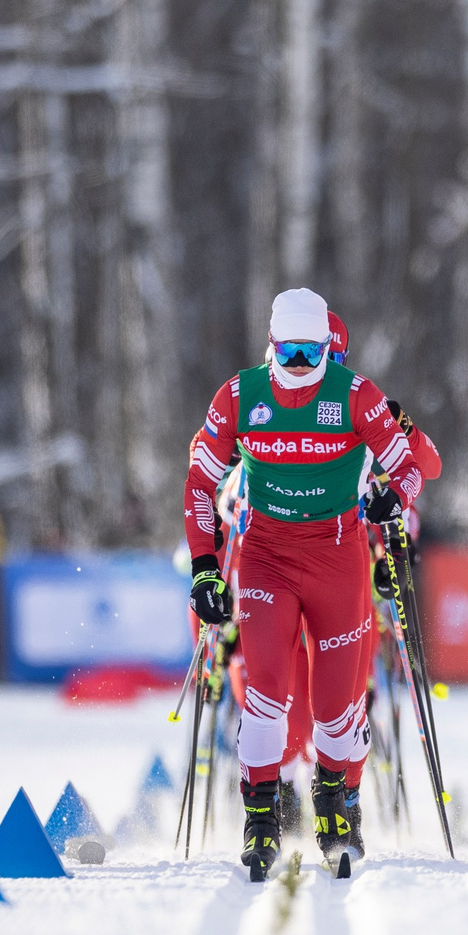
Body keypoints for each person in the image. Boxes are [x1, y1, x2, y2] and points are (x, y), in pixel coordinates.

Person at [183, 287, 428, 880]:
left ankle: (336, 807)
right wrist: (205, 569)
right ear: (270, 345)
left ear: (328, 349)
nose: (299, 365)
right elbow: (200, 483)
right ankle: (261, 818)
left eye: (311, 353)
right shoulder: (239, 395)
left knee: (337, 711)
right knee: (265, 694)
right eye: (288, 351)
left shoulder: (358, 395)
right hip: (266, 555)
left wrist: (395, 503)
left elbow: (413, 467)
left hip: (339, 557)